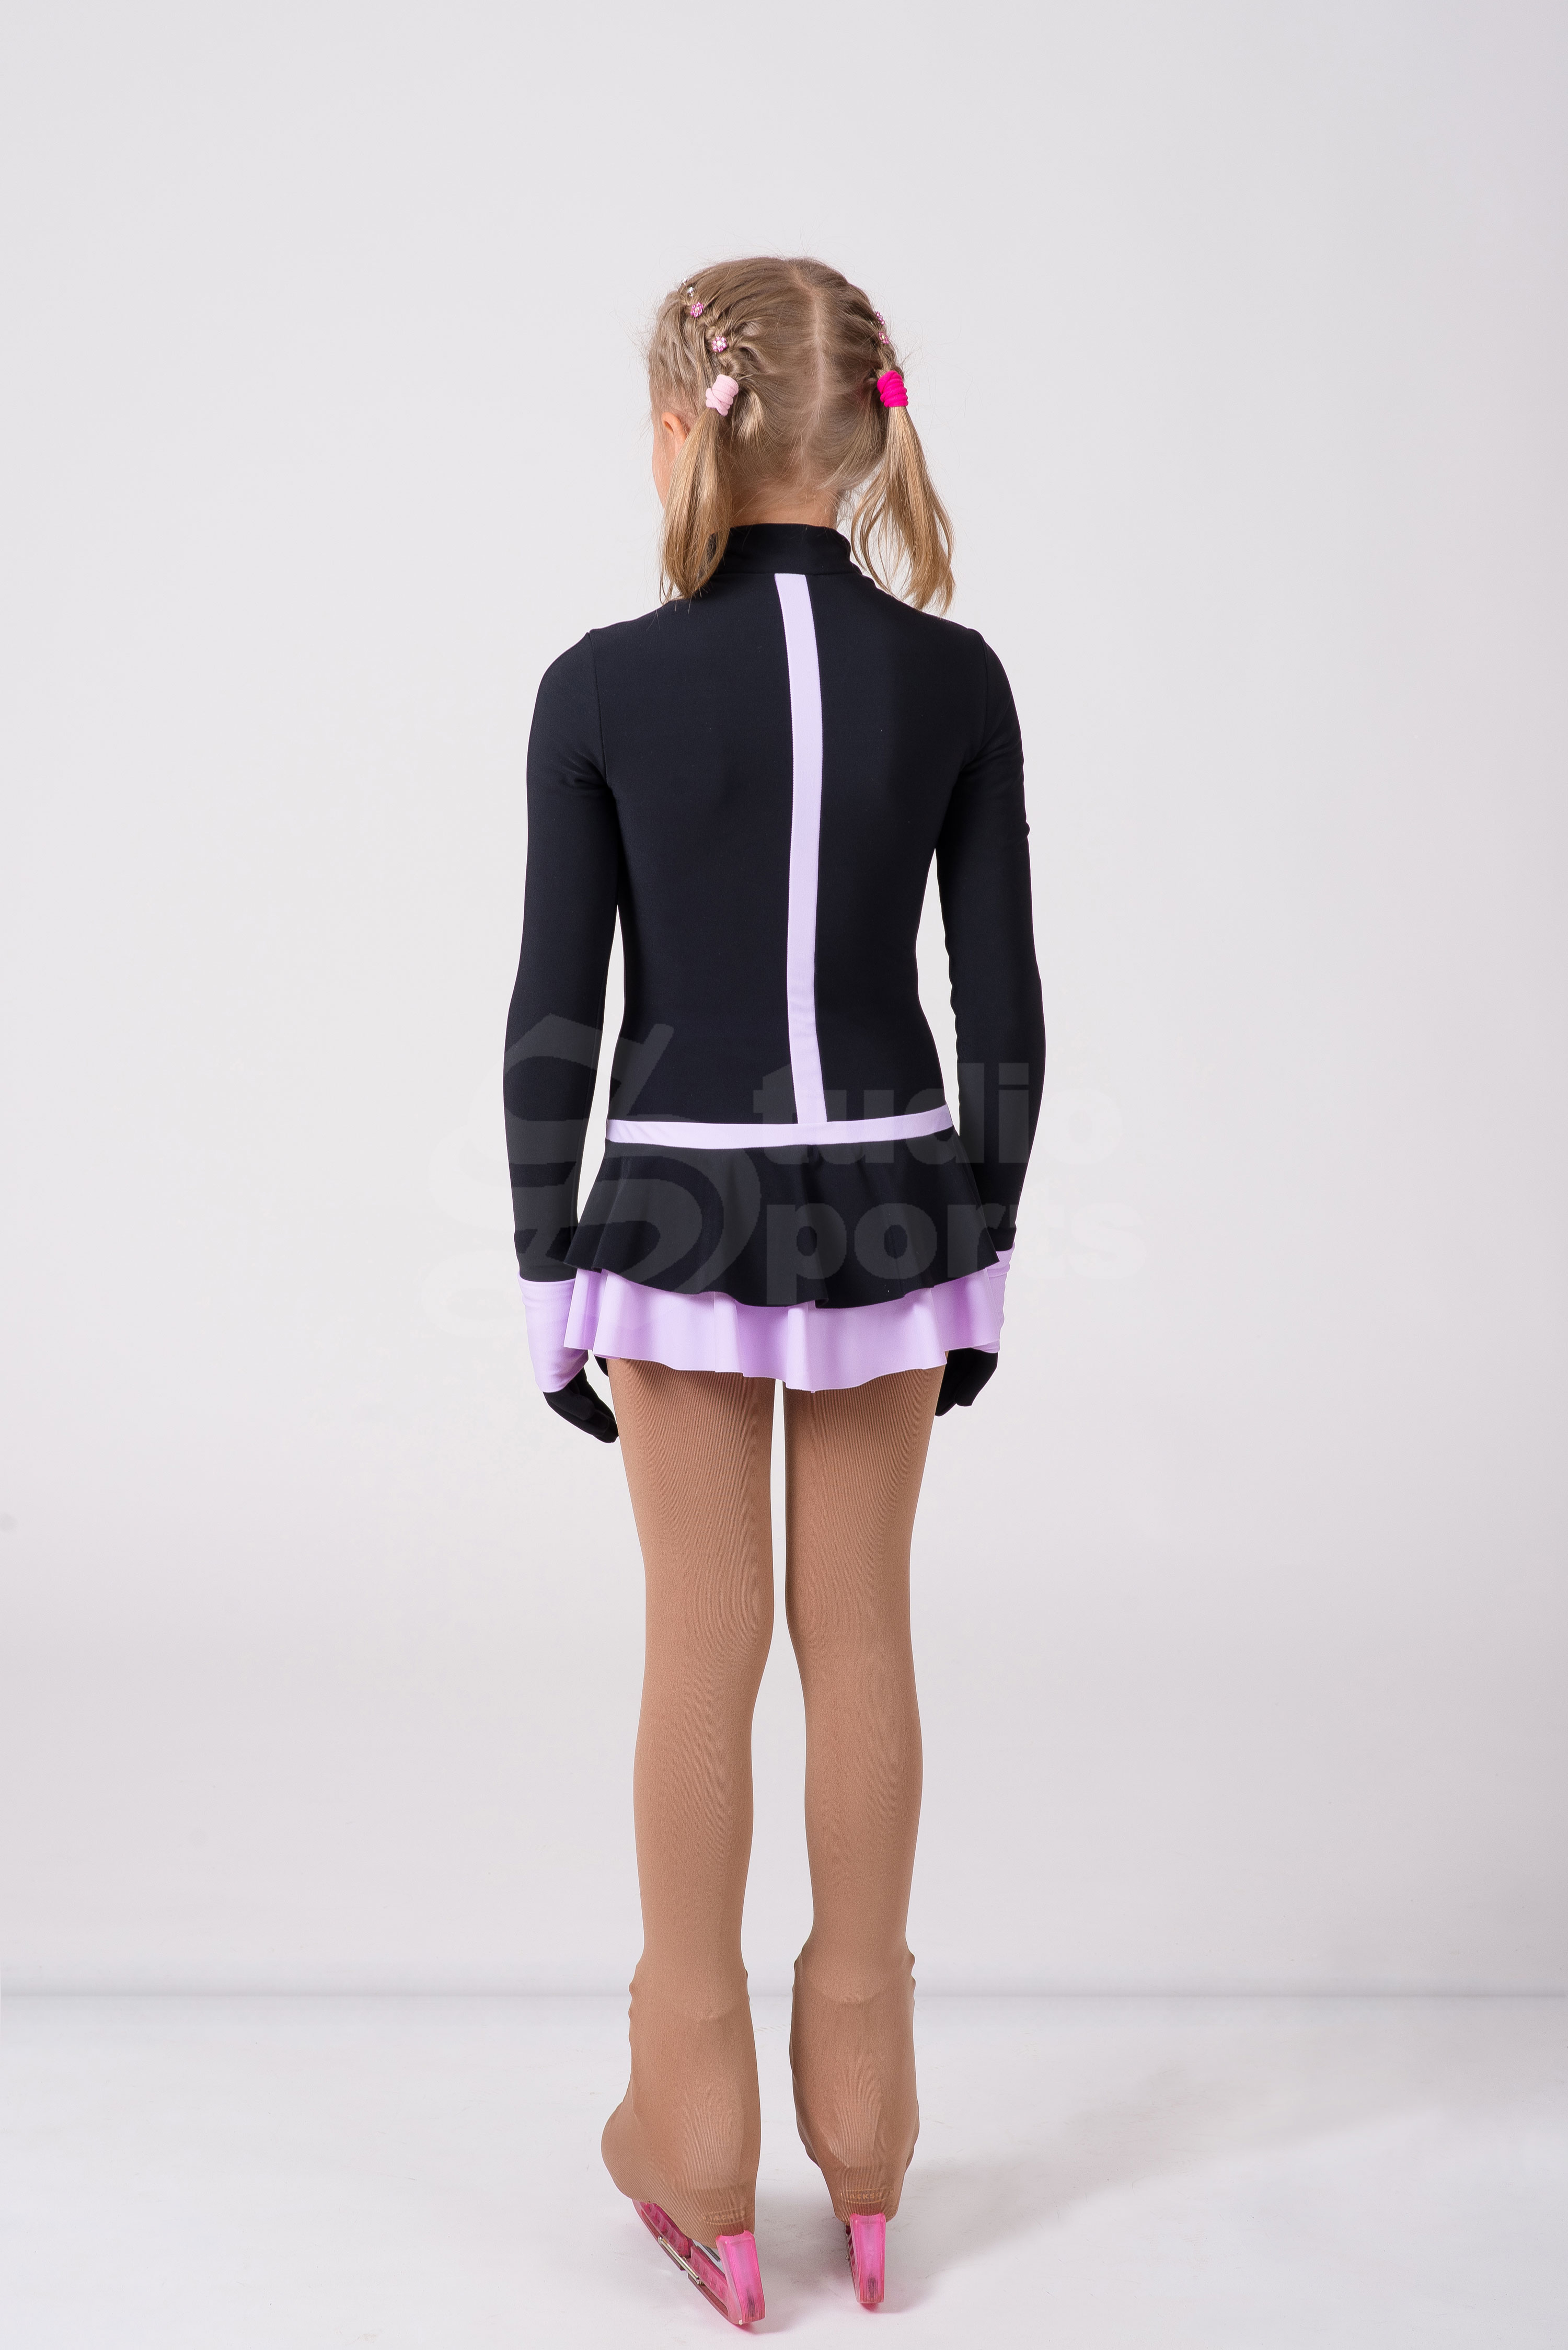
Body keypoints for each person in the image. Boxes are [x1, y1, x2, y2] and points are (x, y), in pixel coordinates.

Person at [503, 255, 1044, 2325]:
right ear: (868, 433)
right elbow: (1004, 1004)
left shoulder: (599, 689)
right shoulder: (960, 681)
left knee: (700, 1651)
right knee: (863, 1636)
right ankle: (872, 2140)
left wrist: (550, 1268)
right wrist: (981, 1249)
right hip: (896, 1202)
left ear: (687, 427)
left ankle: (700, 2134)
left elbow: (558, 1013)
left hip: (679, 1217)